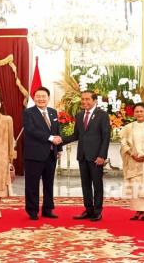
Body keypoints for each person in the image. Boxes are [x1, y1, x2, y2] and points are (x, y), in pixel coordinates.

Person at [62, 90, 110, 221]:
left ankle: (97, 211)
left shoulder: (102, 115)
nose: (84, 102)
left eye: (87, 99)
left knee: (97, 184)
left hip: (96, 157)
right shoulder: (79, 115)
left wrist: (102, 156)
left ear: (94, 100)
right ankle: (88, 210)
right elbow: (76, 135)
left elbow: (106, 137)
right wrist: (60, 140)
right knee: (85, 185)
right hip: (82, 155)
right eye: (82, 99)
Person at [23, 86, 62, 220]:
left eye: (43, 96)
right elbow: (31, 131)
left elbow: (57, 130)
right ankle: (32, 211)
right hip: (34, 155)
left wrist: (60, 149)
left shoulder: (53, 112)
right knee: (32, 184)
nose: (41, 99)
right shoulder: (29, 113)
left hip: (51, 154)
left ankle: (48, 209)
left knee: (49, 183)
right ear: (34, 98)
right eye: (38, 96)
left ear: (48, 98)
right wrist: (50, 138)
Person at [119, 102, 144, 221]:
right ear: (133, 113)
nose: (139, 113)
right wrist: (132, 154)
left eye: (141, 111)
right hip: (134, 160)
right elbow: (123, 143)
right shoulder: (129, 127)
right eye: (137, 111)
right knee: (136, 186)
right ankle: (137, 211)